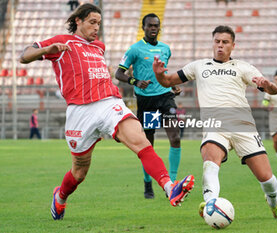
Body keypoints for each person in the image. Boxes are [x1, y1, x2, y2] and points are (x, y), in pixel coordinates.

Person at [19, 3, 194, 221]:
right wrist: (46, 50)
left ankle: (170, 187)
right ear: (78, 21)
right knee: (79, 172)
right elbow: (24, 56)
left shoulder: (99, 46)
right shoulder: (63, 42)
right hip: (80, 112)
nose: (96, 28)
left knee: (140, 140)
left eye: (99, 24)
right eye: (92, 22)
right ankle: (61, 197)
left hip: (109, 103)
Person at [153, 25, 277, 219]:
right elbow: (168, 81)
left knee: (267, 179)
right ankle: (210, 205)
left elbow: (272, 90)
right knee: (209, 162)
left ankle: (273, 201)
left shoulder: (242, 67)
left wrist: (268, 86)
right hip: (215, 126)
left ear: (233, 45)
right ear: (212, 43)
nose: (220, 46)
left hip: (243, 127)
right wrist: (158, 74)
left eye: (225, 42)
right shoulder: (198, 66)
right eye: (217, 41)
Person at [115, 13, 182, 199]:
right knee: (148, 145)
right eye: (150, 25)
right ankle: (148, 181)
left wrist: (173, 85)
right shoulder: (135, 50)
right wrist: (135, 81)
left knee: (175, 137)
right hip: (147, 102)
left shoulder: (166, 49)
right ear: (143, 27)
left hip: (165, 98)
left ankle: (174, 183)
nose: (153, 28)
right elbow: (118, 73)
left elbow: (164, 73)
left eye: (156, 26)